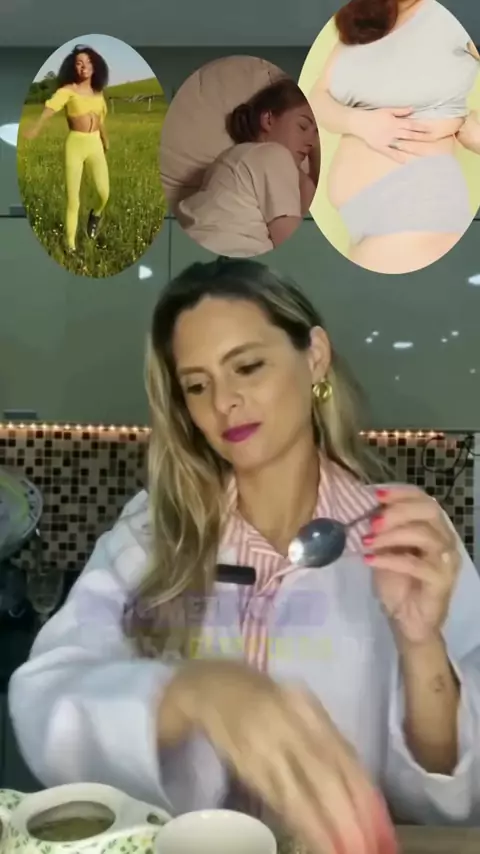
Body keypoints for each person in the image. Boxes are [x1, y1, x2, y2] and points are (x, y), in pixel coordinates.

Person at [9, 258, 480, 854]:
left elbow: (457, 800)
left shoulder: (403, 532)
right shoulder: (154, 531)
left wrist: (420, 645)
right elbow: (45, 703)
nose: (224, 402)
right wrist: (193, 693)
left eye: (248, 366)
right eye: (197, 385)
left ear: (315, 357)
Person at [309, 0, 480, 274]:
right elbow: (317, 98)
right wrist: (358, 122)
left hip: (416, 208)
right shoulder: (363, 18)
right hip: (364, 221)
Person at [177, 78, 320, 256]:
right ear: (268, 120)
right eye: (303, 126)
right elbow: (295, 247)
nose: (311, 142)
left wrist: (306, 179)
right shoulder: (274, 154)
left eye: (316, 134)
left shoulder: (237, 158)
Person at [23, 44, 110, 254]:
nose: (84, 66)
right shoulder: (67, 91)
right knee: (73, 199)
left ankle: (96, 215)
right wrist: (35, 128)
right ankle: (70, 246)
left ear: (95, 66)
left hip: (95, 144)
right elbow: (49, 109)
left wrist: (105, 140)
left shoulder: (98, 93)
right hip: (75, 145)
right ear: (73, 67)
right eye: (79, 63)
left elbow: (100, 120)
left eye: (88, 62)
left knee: (104, 193)